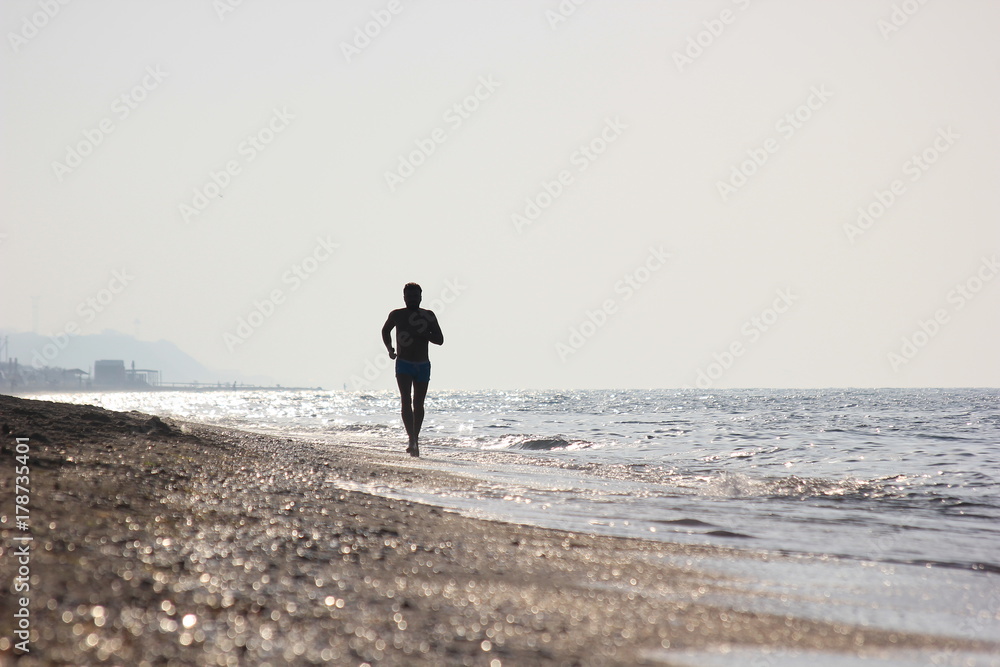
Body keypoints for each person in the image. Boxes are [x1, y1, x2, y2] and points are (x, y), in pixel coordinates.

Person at [381, 283, 444, 456]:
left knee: (419, 403)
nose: (412, 299)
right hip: (404, 363)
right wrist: (390, 349)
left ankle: (415, 439)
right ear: (404, 297)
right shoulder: (397, 314)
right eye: (409, 296)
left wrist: (424, 334)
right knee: (405, 400)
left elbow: (440, 339)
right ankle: (411, 439)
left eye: (415, 296)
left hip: (423, 364)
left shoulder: (428, 315)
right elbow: (385, 331)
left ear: (421, 297)